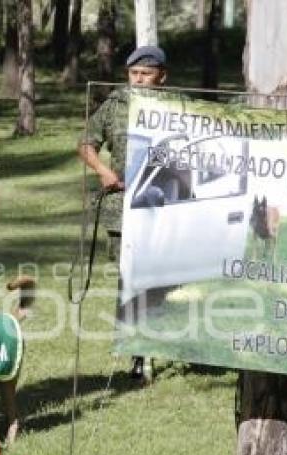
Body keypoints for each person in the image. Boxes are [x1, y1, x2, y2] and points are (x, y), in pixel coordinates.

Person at [77, 45, 168, 381]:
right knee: (129, 279)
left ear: (161, 76)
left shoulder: (177, 108)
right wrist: (102, 170)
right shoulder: (116, 104)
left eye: (146, 74)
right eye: (134, 73)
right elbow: (86, 142)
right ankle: (138, 353)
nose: (139, 79)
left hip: (162, 207)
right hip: (123, 209)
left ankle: (154, 345)